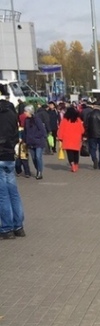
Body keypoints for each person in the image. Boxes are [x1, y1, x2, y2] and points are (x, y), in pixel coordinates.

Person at [0, 89, 25, 238]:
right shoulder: (11, 113)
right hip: (9, 155)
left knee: (2, 194)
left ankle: (6, 228)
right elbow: (16, 134)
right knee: (13, 192)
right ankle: (18, 226)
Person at [57, 105, 86, 172]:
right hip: (76, 139)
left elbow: (61, 130)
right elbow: (82, 130)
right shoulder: (78, 120)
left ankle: (72, 165)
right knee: (76, 152)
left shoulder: (64, 120)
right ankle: (76, 164)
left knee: (69, 153)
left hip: (67, 139)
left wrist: (60, 138)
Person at [23, 105, 47, 180]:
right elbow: (25, 131)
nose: (24, 113)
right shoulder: (26, 120)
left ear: (29, 111)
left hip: (38, 141)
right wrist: (25, 139)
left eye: (25, 111)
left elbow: (42, 130)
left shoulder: (37, 119)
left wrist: (35, 136)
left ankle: (39, 172)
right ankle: (38, 169)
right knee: (34, 158)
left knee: (38, 157)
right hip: (30, 142)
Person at [84, 102, 100, 169]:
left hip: (92, 134)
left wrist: (85, 135)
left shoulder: (89, 115)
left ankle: (94, 159)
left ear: (93, 106)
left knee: (92, 149)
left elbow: (86, 126)